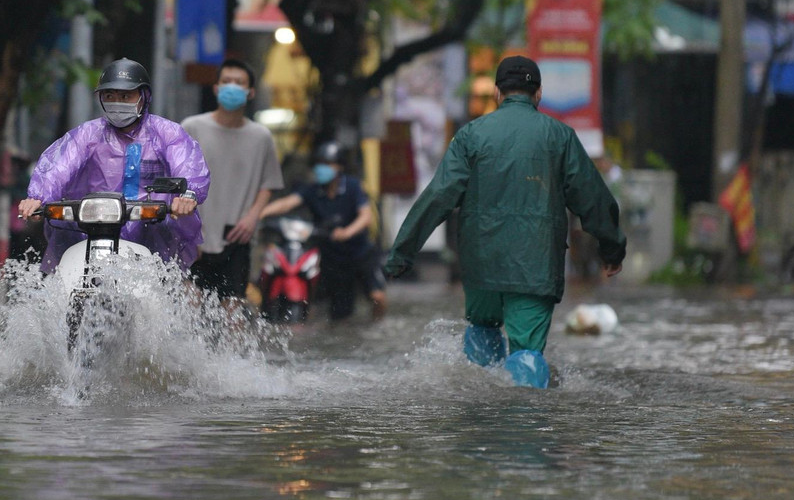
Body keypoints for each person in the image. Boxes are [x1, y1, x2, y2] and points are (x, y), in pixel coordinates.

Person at [383, 56, 625, 388]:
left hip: (481, 266)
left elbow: (438, 195)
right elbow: (593, 199)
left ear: (498, 93)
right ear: (538, 93)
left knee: (482, 344)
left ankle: (482, 425)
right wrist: (612, 250)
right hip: (533, 266)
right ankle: (519, 430)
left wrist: (402, 253)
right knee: (525, 355)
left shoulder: (471, 135)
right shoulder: (560, 137)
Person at [17, 58, 209, 272]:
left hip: (152, 230)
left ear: (143, 97)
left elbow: (188, 164)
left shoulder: (167, 133)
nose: (117, 102)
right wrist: (38, 197)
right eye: (109, 95)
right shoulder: (88, 134)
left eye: (126, 96)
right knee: (60, 286)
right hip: (91, 229)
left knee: (168, 290)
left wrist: (188, 195)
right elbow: (59, 165)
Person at [181, 58, 283, 302]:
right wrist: (185, 228)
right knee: (191, 305)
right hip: (196, 235)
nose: (232, 87)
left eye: (239, 83)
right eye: (226, 81)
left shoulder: (261, 137)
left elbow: (268, 183)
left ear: (251, 92)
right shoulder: (191, 127)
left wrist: (252, 217)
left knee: (233, 311)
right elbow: (177, 181)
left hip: (236, 235)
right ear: (216, 88)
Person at [260, 141, 387, 321]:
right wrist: (259, 213)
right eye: (319, 163)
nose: (322, 168)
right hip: (332, 258)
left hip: (360, 254)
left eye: (327, 164)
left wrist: (347, 232)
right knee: (340, 313)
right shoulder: (313, 190)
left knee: (377, 297)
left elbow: (366, 216)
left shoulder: (352, 187)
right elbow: (288, 203)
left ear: (339, 166)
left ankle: (377, 326)